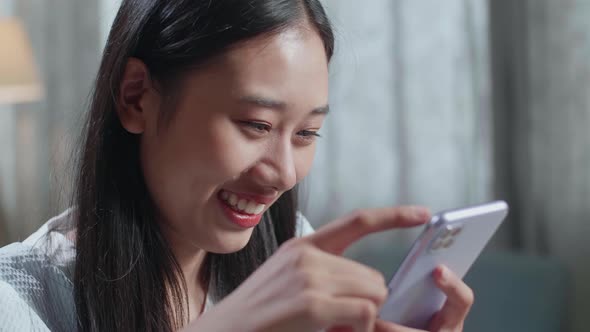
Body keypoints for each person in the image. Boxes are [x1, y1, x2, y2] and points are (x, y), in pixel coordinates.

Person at [0, 1, 474, 331]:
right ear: (136, 97)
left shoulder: (292, 254)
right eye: (255, 124)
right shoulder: (19, 300)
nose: (285, 175)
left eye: (307, 133)